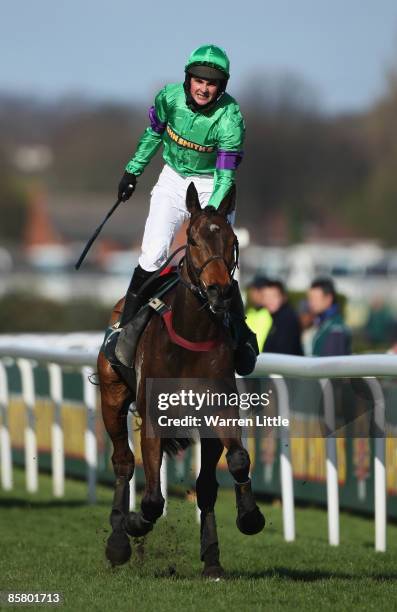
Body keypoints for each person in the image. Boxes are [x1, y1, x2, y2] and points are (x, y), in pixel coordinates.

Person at [111, 44, 258, 374]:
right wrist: (132, 171)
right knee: (151, 256)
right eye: (199, 81)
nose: (204, 89)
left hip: (212, 184)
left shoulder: (230, 118)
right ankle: (126, 329)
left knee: (219, 265)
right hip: (173, 179)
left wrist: (211, 214)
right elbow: (153, 135)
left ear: (222, 87)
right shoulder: (169, 98)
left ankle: (240, 333)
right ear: (188, 80)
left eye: (213, 83)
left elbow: (225, 174)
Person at [307, 277, 351, 356]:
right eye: (310, 299)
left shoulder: (336, 328)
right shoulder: (324, 322)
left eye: (314, 298)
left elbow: (332, 364)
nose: (311, 303)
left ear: (328, 299)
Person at [260, 279, 303, 355]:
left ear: (283, 297)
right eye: (266, 296)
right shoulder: (277, 317)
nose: (269, 300)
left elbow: (282, 353)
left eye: (274, 296)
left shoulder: (287, 319)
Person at [245, 276, 273, 353]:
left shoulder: (271, 314)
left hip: (264, 360)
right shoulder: (250, 313)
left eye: (254, 290)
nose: (251, 293)